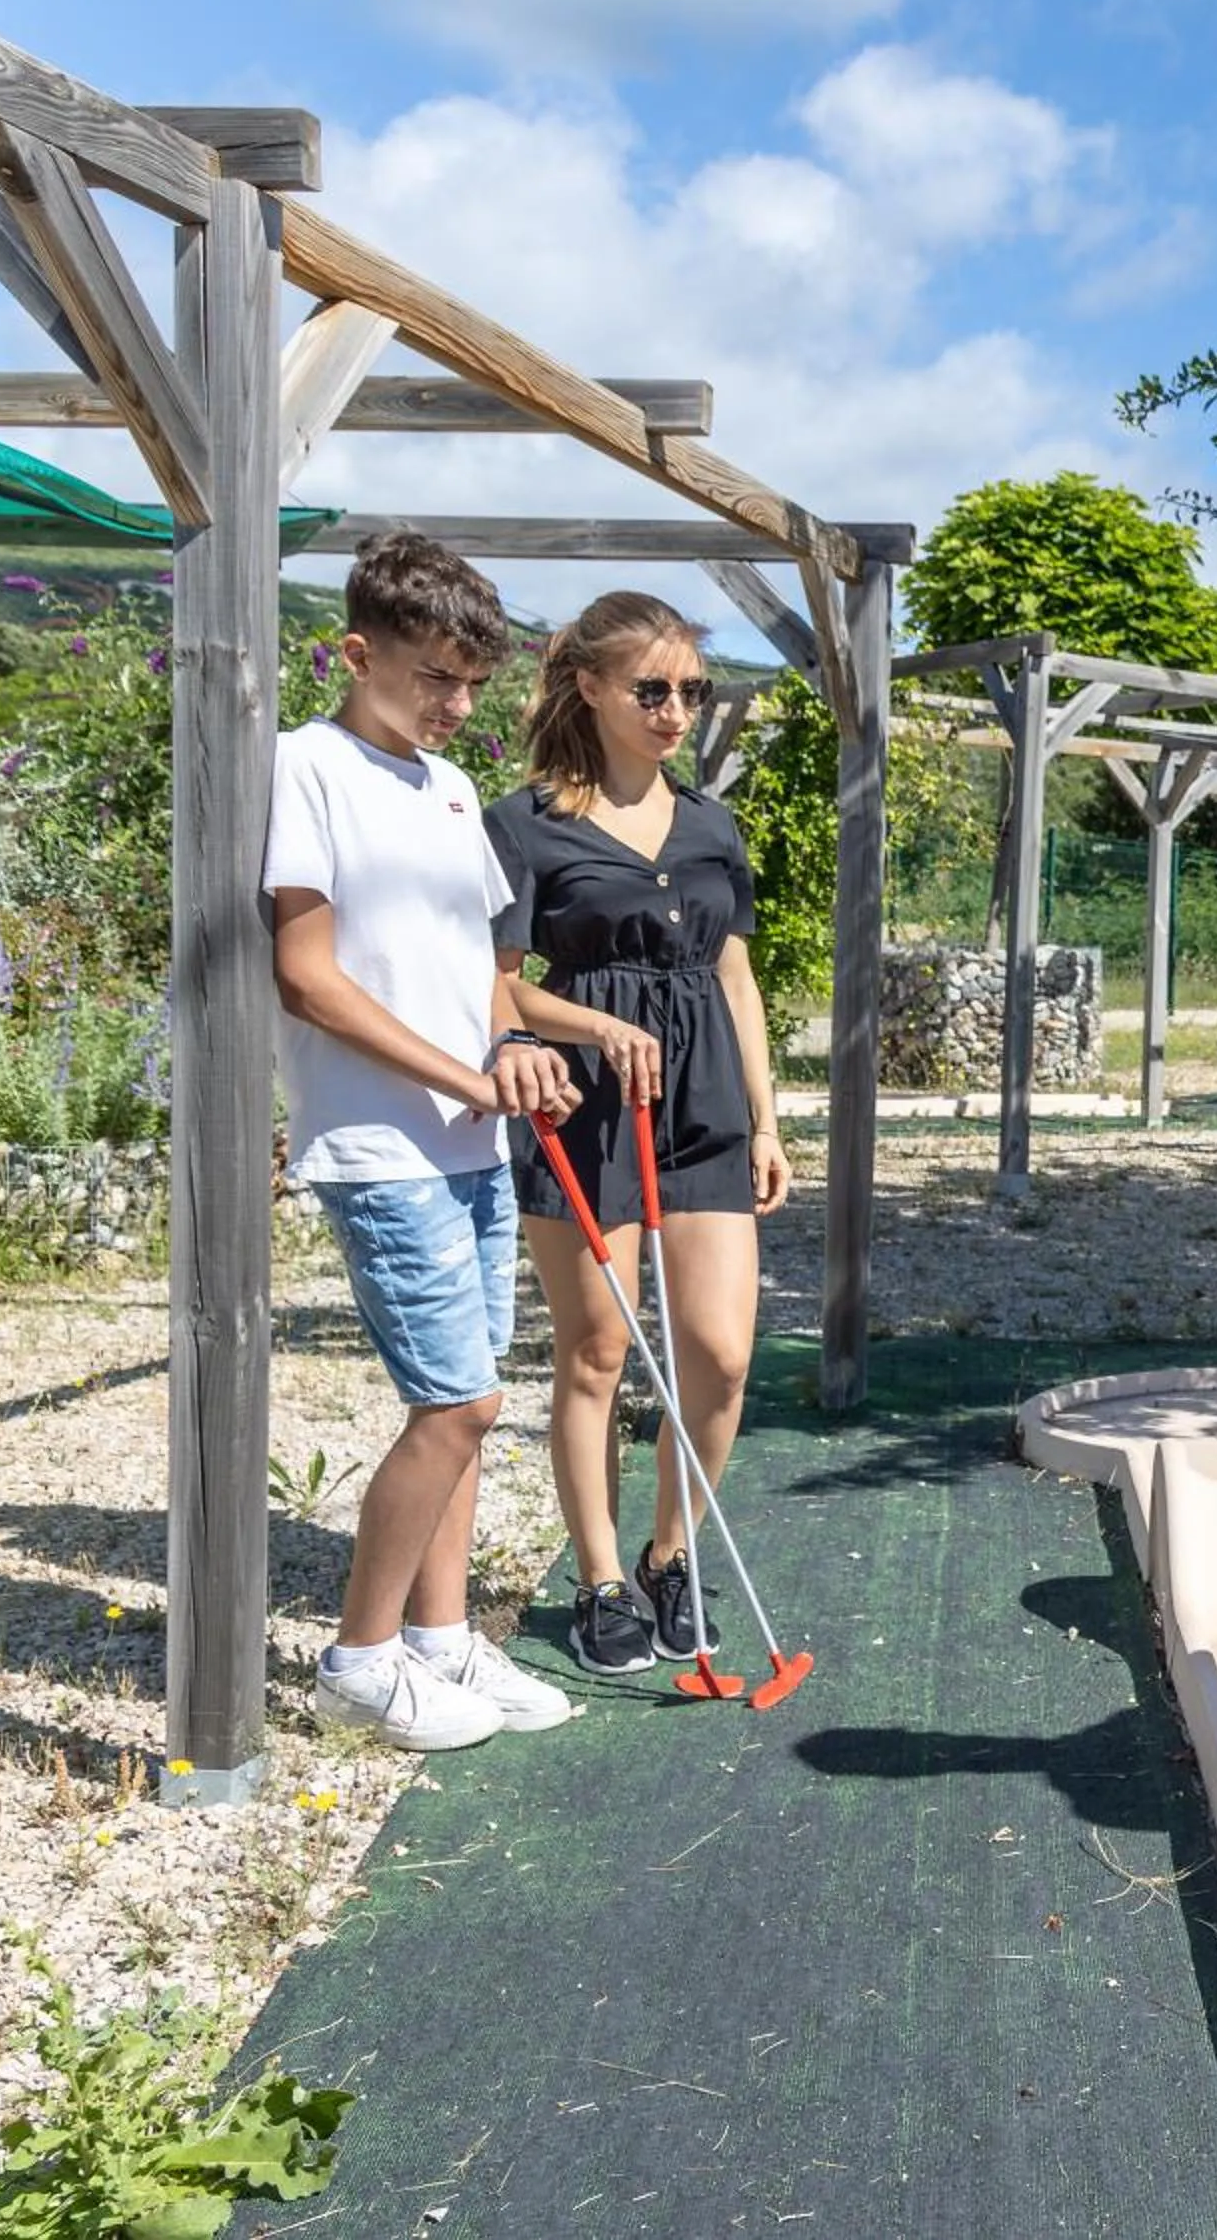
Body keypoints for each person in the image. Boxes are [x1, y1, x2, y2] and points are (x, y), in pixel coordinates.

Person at [266, 531, 583, 1752]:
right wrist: (465, 1073)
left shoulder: (449, 792)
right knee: (451, 1404)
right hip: (381, 1144)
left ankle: (443, 1645)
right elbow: (309, 979)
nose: (458, 707)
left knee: (476, 1399)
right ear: (356, 652)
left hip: (468, 1138)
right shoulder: (307, 768)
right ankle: (360, 1658)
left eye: (471, 685)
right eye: (433, 680)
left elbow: (479, 978)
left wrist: (511, 1054)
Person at [487, 593, 789, 1680]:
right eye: (651, 690)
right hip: (586, 1107)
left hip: (703, 1103)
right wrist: (597, 1023)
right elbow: (499, 992)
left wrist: (764, 1115)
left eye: (691, 692)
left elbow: (735, 974)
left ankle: (672, 1556)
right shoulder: (524, 823)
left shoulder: (711, 821)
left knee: (720, 1354)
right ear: (590, 690)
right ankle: (602, 1580)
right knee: (598, 1352)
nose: (674, 712)